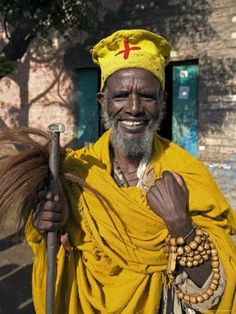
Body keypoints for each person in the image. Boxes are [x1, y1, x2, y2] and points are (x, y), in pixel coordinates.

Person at [26, 29, 236, 313]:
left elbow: (220, 290)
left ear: (161, 101)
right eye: (121, 95)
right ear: (103, 102)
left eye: (146, 96)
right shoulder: (73, 175)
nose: (134, 108)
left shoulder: (187, 173)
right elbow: (52, 256)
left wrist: (181, 226)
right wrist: (48, 224)